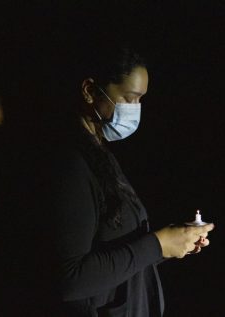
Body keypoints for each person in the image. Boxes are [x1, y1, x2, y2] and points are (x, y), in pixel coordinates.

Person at [41, 46, 214, 316]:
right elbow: (71, 279)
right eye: (129, 98)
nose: (135, 110)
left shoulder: (100, 155)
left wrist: (172, 245)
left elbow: (119, 261)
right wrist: (157, 243)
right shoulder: (71, 165)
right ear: (89, 90)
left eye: (140, 100)